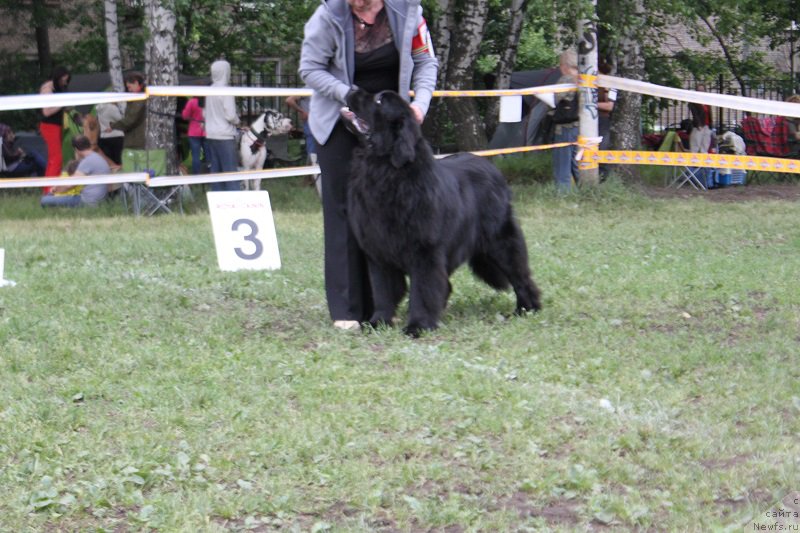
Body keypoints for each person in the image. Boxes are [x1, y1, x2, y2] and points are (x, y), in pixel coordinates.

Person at [299, 0, 438, 330]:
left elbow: (425, 62)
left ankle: (383, 306)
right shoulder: (328, 16)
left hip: (391, 126)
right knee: (345, 211)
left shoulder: (408, 13)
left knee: (390, 215)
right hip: (340, 120)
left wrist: (420, 103)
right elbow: (310, 68)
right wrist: (347, 94)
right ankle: (348, 310)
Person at [40, 135, 111, 208]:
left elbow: (71, 184)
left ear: (76, 149)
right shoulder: (98, 157)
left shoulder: (87, 161)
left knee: (45, 200)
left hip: (88, 202)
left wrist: (55, 190)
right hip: (100, 200)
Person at [205, 59, 241, 191]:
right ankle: (234, 201)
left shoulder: (210, 90)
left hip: (211, 134)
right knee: (230, 171)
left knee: (216, 172)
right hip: (225, 135)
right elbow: (230, 115)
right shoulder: (226, 90)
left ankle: (217, 201)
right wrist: (238, 121)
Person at [550, 49, 579, 192]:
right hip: (579, 126)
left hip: (564, 127)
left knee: (562, 163)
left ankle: (563, 194)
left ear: (564, 66)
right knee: (577, 163)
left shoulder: (566, 79)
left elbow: (554, 99)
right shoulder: (583, 79)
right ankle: (586, 190)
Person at [39, 66, 71, 192]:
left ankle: (48, 188)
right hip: (49, 126)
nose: (64, 83)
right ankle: (50, 190)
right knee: (57, 158)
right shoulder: (47, 89)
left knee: (53, 159)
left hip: (56, 126)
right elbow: (46, 112)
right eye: (63, 80)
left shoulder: (57, 88)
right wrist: (62, 104)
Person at [286, 91, 319, 195]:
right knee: (313, 153)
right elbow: (289, 100)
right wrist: (302, 111)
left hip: (316, 123)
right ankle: (311, 180)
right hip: (312, 123)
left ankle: (310, 180)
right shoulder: (308, 89)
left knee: (314, 152)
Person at [110, 72, 147, 154]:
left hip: (137, 141)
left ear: (136, 83)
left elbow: (131, 119)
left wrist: (113, 126)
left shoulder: (140, 99)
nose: (129, 90)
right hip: (137, 139)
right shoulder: (139, 98)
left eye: (129, 87)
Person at [181, 96, 206, 174]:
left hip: (194, 132)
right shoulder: (208, 101)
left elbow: (185, 116)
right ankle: (209, 173)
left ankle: (197, 175)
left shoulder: (192, 102)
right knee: (209, 154)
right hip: (206, 131)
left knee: (196, 156)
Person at [96, 101, 126, 166]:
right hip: (116, 136)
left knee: (109, 162)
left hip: (103, 137)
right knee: (118, 161)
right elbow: (121, 119)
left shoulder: (99, 108)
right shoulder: (111, 108)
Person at [688, 83, 713, 153]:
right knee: (695, 144)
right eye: (699, 90)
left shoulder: (707, 101)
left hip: (707, 126)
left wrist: (711, 125)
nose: (701, 92)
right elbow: (695, 114)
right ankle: (693, 161)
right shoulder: (693, 102)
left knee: (705, 145)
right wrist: (698, 124)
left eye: (702, 90)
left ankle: (703, 161)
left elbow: (709, 114)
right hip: (699, 126)